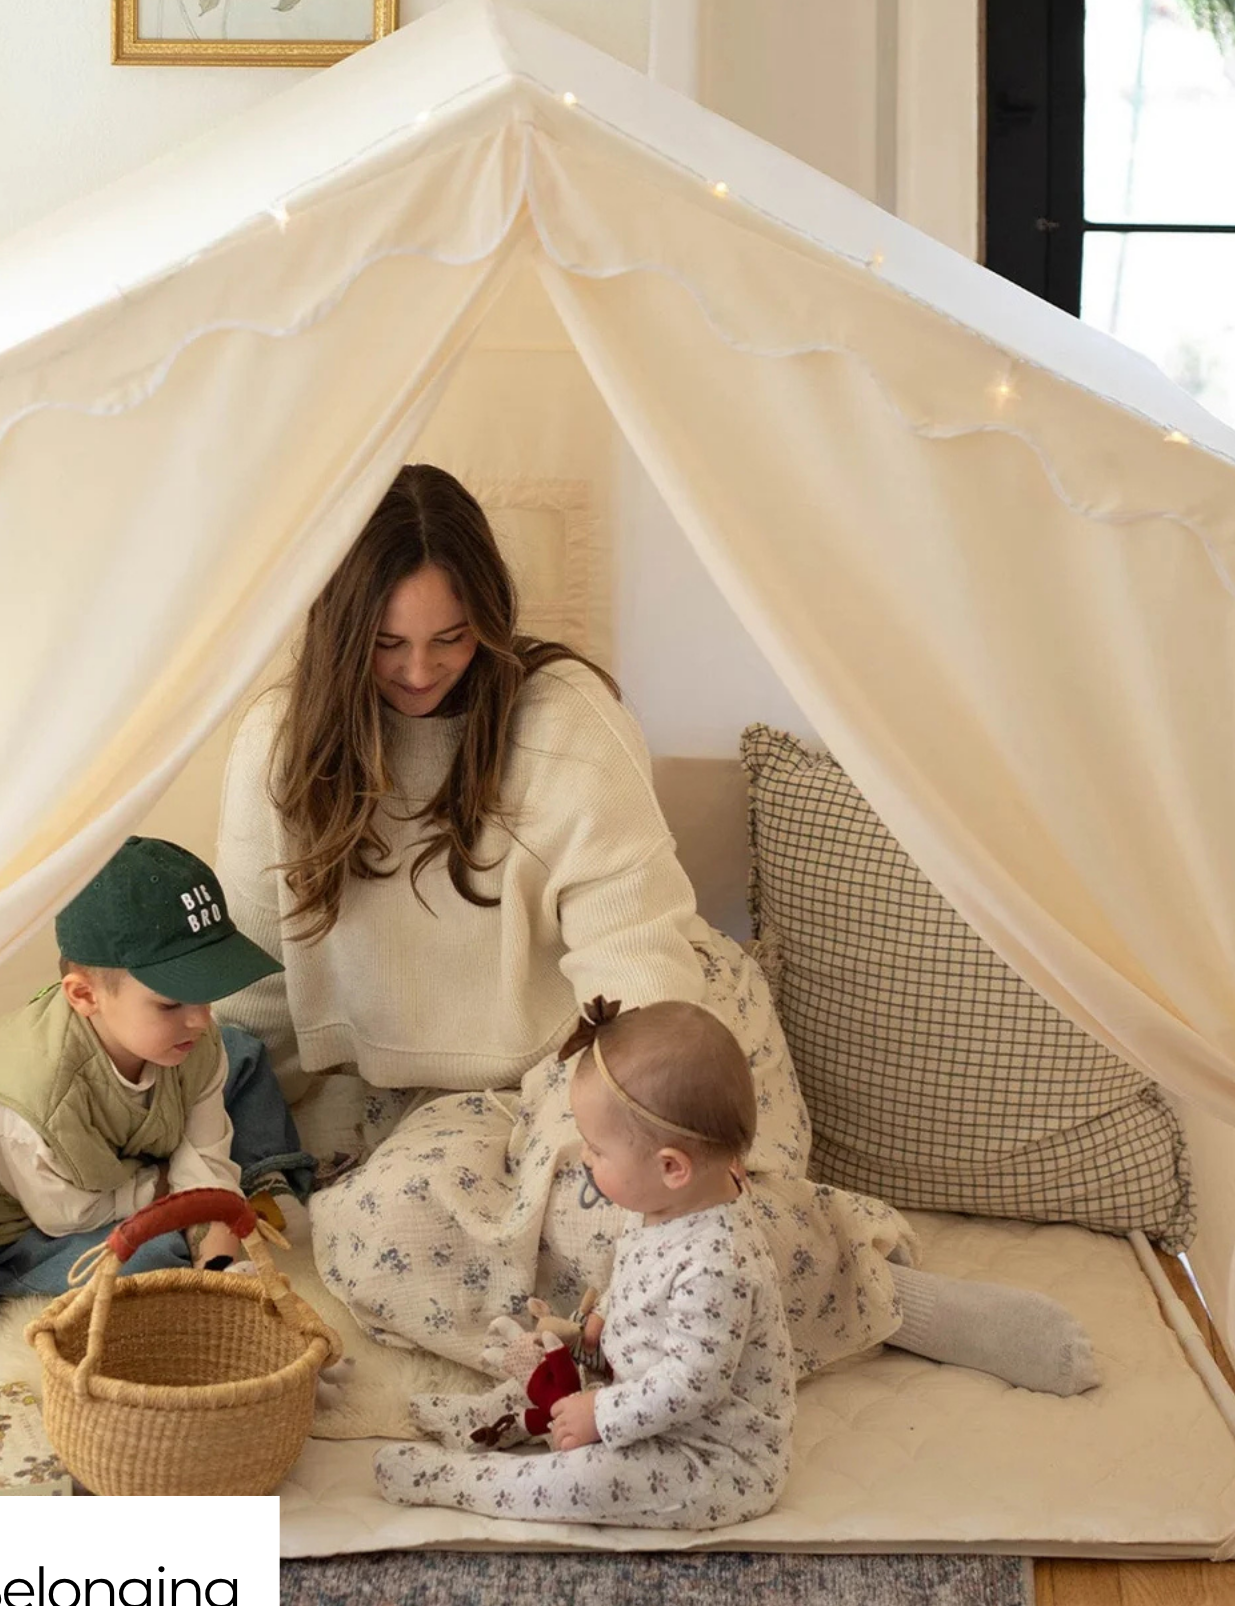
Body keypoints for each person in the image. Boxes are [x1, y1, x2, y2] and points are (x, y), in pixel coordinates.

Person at [217, 464, 1096, 1395]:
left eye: (452, 637)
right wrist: (200, 1122)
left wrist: (632, 1121)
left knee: (639, 1203)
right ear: (340, 631)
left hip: (616, 1040)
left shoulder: (561, 718)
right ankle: (583, 1360)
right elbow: (254, 979)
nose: (420, 670)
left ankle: (892, 1298)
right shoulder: (277, 746)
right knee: (369, 1233)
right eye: (387, 644)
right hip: (435, 1099)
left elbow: (633, 952)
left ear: (491, 619)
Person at [373, 999, 793, 1529]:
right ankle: (491, 1419)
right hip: (636, 1394)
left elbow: (693, 1384)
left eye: (597, 1149)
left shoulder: (718, 1264)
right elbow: (644, 1271)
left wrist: (601, 1414)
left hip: (709, 1457)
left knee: (584, 1481)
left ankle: (457, 1481)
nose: (586, 1157)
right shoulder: (679, 1198)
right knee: (553, 1378)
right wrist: (605, 1317)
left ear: (671, 1167)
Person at [0, 836, 313, 1298]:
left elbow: (205, 1160)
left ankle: (264, 1177)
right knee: (149, 1260)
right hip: (37, 1225)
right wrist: (168, 1185)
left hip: (128, 1156)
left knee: (242, 1053)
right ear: (85, 996)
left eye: (206, 993)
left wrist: (215, 1240)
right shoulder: (33, 1101)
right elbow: (66, 1215)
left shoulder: (193, 1038)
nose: (200, 1019)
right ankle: (187, 1213)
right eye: (171, 1003)